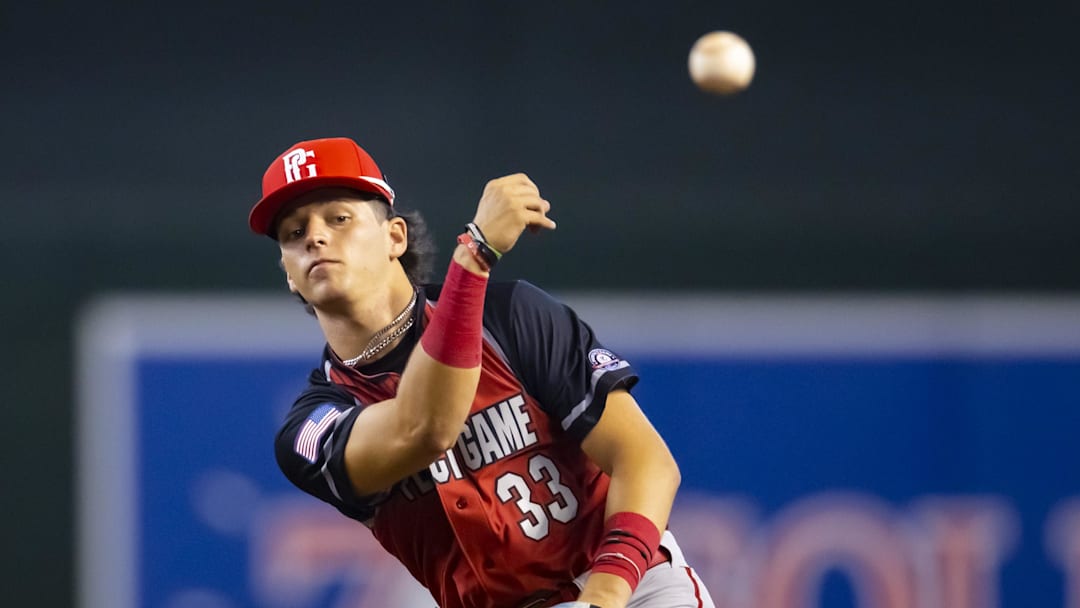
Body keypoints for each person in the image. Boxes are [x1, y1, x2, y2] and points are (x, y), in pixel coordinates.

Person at [249, 137, 715, 608]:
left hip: (626, 586)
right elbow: (425, 430)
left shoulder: (509, 315)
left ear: (394, 237)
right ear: (290, 274)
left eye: (339, 218)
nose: (315, 237)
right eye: (293, 232)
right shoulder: (309, 427)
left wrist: (606, 593)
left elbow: (644, 460)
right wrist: (475, 255)